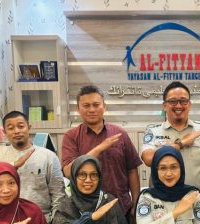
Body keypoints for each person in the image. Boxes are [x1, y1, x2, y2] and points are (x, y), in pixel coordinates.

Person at [141, 81, 200, 216]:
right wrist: (180, 144)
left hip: (195, 203)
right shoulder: (153, 131)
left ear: (189, 104)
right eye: (173, 101)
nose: (178, 105)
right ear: (164, 105)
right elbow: (148, 159)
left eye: (183, 101)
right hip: (161, 206)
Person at [61, 85, 142, 215]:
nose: (91, 110)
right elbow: (68, 172)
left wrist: (136, 203)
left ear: (104, 106)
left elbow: (132, 170)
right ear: (78, 109)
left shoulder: (120, 134)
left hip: (121, 207)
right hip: (86, 212)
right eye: (86, 106)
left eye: (96, 105)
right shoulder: (71, 136)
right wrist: (99, 148)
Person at [0, 111, 65, 223]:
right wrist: (13, 165)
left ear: (29, 127)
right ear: (5, 132)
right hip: (5, 222)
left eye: (21, 126)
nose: (17, 131)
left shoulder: (48, 156)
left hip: (40, 220)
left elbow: (58, 193)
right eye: (11, 128)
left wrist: (54, 222)